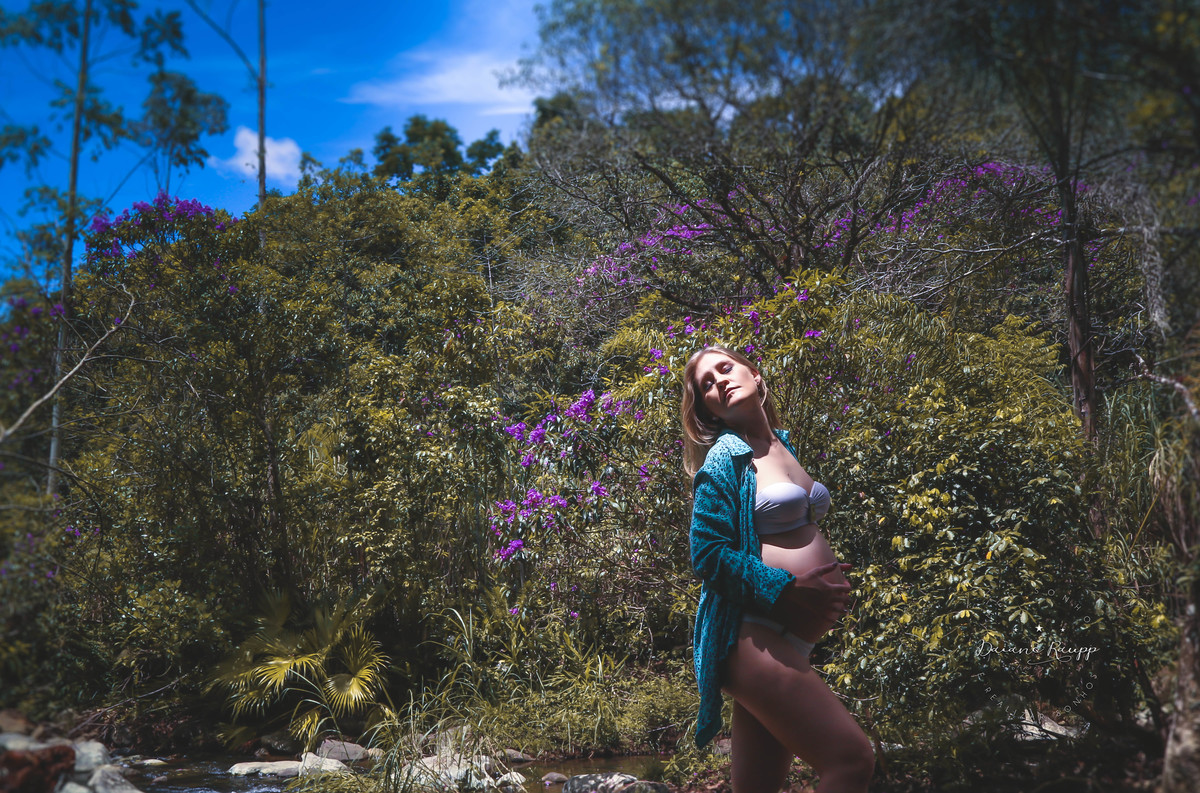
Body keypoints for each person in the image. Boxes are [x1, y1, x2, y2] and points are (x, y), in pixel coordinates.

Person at [682, 344, 875, 793]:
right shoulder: (726, 458)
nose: (720, 381)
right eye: (707, 384)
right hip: (751, 635)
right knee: (851, 761)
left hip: (790, 639)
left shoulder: (780, 444)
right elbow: (707, 554)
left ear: (754, 373)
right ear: (708, 409)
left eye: (725, 368)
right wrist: (784, 588)